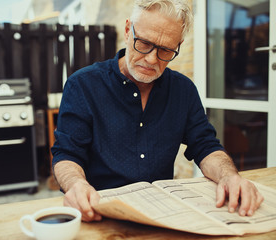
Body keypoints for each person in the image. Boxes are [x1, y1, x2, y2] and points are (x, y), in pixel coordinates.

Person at [51, 0, 264, 222]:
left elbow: (205, 145)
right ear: (127, 31)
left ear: (178, 45)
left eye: (165, 50)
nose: (151, 59)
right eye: (143, 43)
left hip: (164, 215)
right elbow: (67, 154)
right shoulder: (83, 85)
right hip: (99, 211)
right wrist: (76, 185)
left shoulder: (183, 89)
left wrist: (229, 177)